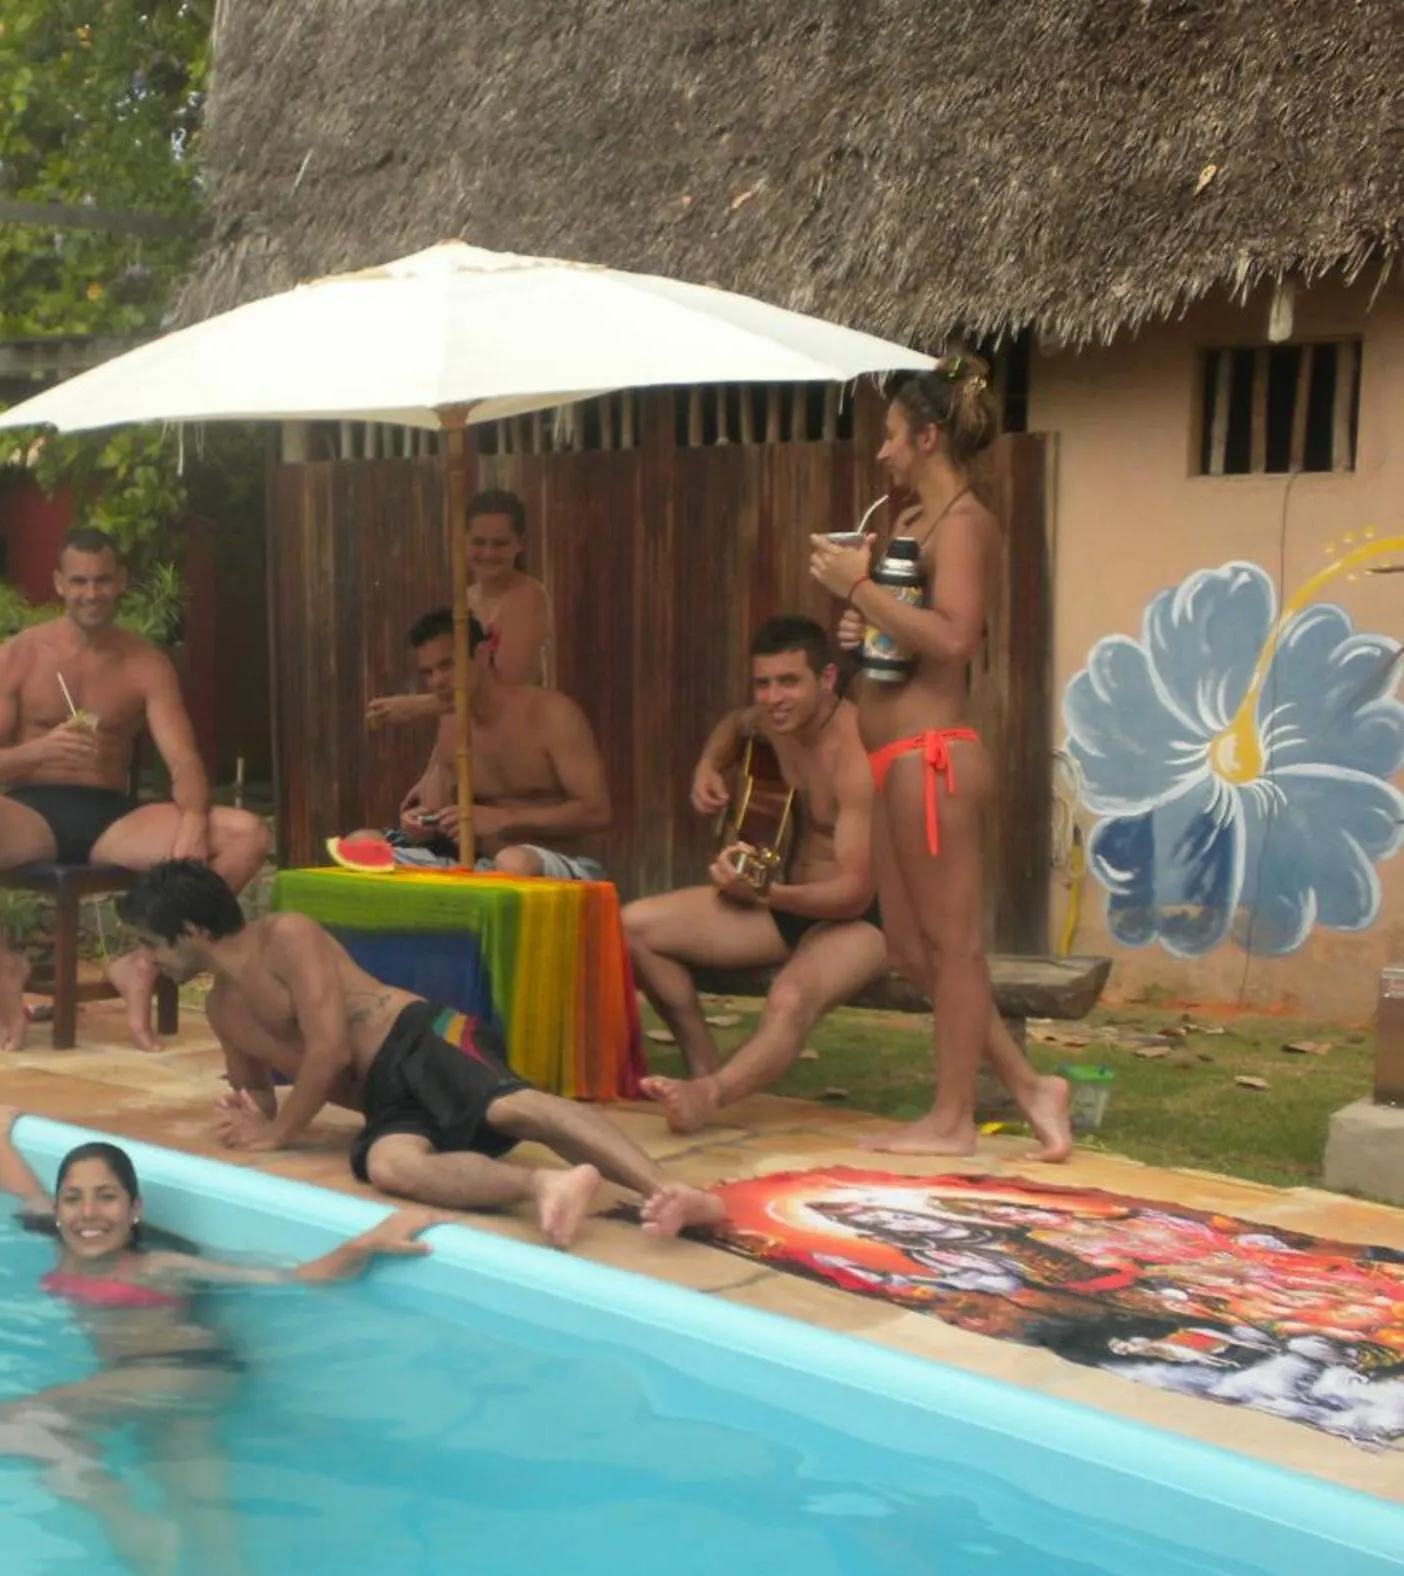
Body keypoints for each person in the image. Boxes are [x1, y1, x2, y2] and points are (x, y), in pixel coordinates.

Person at [0, 1107, 436, 1576]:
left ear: (134, 1210)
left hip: (185, 1371)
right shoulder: (60, 1244)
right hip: (155, 1387)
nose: (88, 1212)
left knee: (11, 1425)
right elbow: (21, 1191)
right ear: (57, 1211)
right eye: (73, 1198)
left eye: (107, 1197)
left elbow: (288, 1279)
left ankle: (130, 1525)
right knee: (205, 1518)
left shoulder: (158, 1267)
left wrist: (366, 1242)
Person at [115, 861, 729, 1244]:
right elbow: (257, 1090)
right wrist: (253, 1113)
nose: (149, 960)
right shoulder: (221, 1009)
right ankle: (546, 1185)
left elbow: (329, 1051)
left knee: (512, 1108)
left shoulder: (286, 936)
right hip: (384, 1100)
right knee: (390, 1167)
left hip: (417, 1036)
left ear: (191, 931)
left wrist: (277, 1136)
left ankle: (675, 1191)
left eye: (151, 943)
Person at [807, 356, 1072, 1160]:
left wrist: (859, 591)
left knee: (954, 948)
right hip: (891, 755)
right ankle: (1030, 1086)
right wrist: (866, 625)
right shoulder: (914, 520)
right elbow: (910, 631)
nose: (882, 450)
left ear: (927, 436)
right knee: (909, 949)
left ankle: (954, 1119)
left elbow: (955, 638)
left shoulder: (962, 525)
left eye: (892, 434)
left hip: (933, 760)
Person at [0, 528, 270, 1053]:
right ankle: (5, 964)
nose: (91, 593)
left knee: (248, 835)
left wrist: (195, 819)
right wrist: (40, 751)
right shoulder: (18, 655)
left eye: (102, 581)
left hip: (112, 818)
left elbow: (184, 760)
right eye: (79, 581)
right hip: (32, 814)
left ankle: (144, 961)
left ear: (121, 581)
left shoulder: (144, 662)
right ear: (59, 583)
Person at [624, 616, 886, 1133]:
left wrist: (765, 894)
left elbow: (855, 894)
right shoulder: (773, 722)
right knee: (632, 926)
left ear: (827, 678)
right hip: (786, 900)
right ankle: (703, 1067)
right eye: (762, 683)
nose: (773, 698)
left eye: (789, 682)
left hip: (865, 919)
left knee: (790, 997)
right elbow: (734, 724)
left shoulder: (857, 750)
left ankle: (710, 1095)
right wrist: (707, 766)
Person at [343, 607, 610, 877]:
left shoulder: (551, 714)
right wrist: (420, 823)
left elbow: (596, 812)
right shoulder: (451, 724)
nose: (437, 681)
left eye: (447, 665)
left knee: (513, 862)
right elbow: (437, 815)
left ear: (482, 654)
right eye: (428, 672)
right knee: (360, 843)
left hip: (555, 863)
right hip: (478, 864)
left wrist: (503, 818)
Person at [365, 489, 554, 726]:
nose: (488, 553)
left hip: (520, 732)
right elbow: (455, 680)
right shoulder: (467, 599)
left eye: (500, 544)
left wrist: (415, 706)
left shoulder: (527, 596)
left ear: (520, 544)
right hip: (476, 730)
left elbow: (505, 690)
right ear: (463, 542)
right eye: (479, 542)